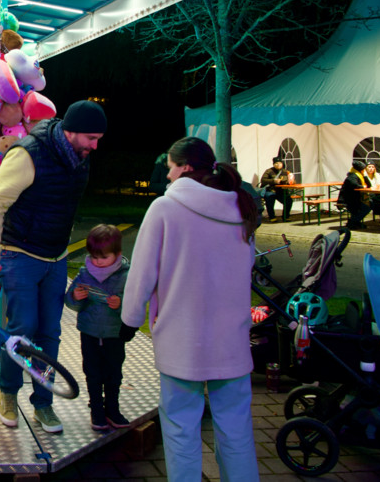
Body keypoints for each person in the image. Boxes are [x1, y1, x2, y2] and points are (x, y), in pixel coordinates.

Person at [122, 136, 260, 481]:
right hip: (232, 340)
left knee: (181, 428)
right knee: (237, 429)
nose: (166, 176)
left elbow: (141, 273)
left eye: (169, 167)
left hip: (182, 341)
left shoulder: (166, 208)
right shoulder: (240, 208)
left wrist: (130, 319)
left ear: (184, 167)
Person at [0, 99, 107, 434]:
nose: (95, 146)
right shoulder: (27, 154)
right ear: (71, 132)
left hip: (55, 256)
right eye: (91, 138)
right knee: (22, 328)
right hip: (19, 253)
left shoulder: (80, 159)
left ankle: (44, 403)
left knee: (50, 333)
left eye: (99, 139)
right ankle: (8, 393)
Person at [64, 224, 135, 432]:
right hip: (89, 332)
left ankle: (112, 408)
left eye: (103, 257)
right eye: (94, 257)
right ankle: (96, 409)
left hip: (114, 333)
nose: (98, 262)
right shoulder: (85, 274)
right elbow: (70, 301)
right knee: (92, 372)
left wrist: (121, 303)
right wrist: (76, 298)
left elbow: (136, 301)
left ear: (117, 254)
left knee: (114, 373)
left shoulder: (126, 275)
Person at [338, 159, 373, 230]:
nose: (364, 171)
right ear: (359, 170)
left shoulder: (360, 176)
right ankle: (352, 222)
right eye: (363, 170)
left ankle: (355, 221)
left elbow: (369, 185)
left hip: (355, 198)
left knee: (371, 203)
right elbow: (355, 185)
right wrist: (363, 186)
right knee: (367, 207)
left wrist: (365, 176)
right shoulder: (352, 176)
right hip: (347, 200)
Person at [259, 156, 293, 222]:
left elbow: (289, 180)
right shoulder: (269, 171)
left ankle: (286, 216)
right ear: (273, 164)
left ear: (282, 164)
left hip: (281, 191)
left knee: (289, 200)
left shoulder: (285, 171)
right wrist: (273, 181)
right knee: (270, 198)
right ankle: (272, 217)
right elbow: (263, 180)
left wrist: (291, 181)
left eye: (279, 163)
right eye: (276, 163)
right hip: (271, 190)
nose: (278, 165)